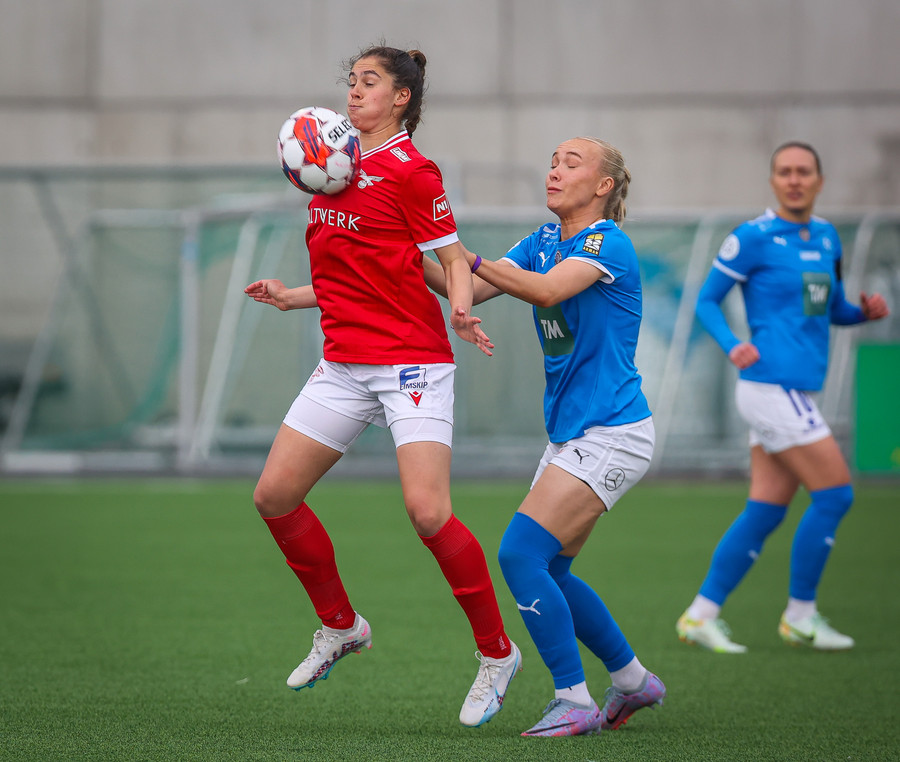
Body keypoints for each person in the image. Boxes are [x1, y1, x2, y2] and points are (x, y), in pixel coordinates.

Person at [244, 45, 520, 727]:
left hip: (410, 363)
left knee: (428, 513)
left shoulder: (413, 171)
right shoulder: (331, 167)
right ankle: (341, 627)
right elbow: (357, 273)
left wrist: (461, 309)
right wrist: (292, 295)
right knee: (274, 496)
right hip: (343, 362)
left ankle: (497, 654)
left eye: (369, 82)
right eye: (351, 81)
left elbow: (451, 258)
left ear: (401, 98)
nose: (354, 92)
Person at [424, 137, 665, 737]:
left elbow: (547, 290)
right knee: (551, 571)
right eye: (553, 161)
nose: (555, 171)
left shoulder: (607, 243)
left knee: (520, 554)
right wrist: (408, 250)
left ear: (604, 186)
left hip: (612, 431)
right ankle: (633, 680)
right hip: (574, 434)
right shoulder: (541, 240)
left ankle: (573, 700)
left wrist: (462, 253)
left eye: (571, 163)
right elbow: (467, 285)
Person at [676, 141, 890, 653]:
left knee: (767, 509)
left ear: (819, 180)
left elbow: (831, 309)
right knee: (835, 494)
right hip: (770, 387)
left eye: (804, 171)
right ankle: (800, 615)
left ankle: (700, 615)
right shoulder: (752, 237)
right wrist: (732, 344)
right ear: (773, 181)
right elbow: (706, 301)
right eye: (785, 172)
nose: (794, 180)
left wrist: (862, 314)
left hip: (792, 391)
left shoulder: (827, 237)